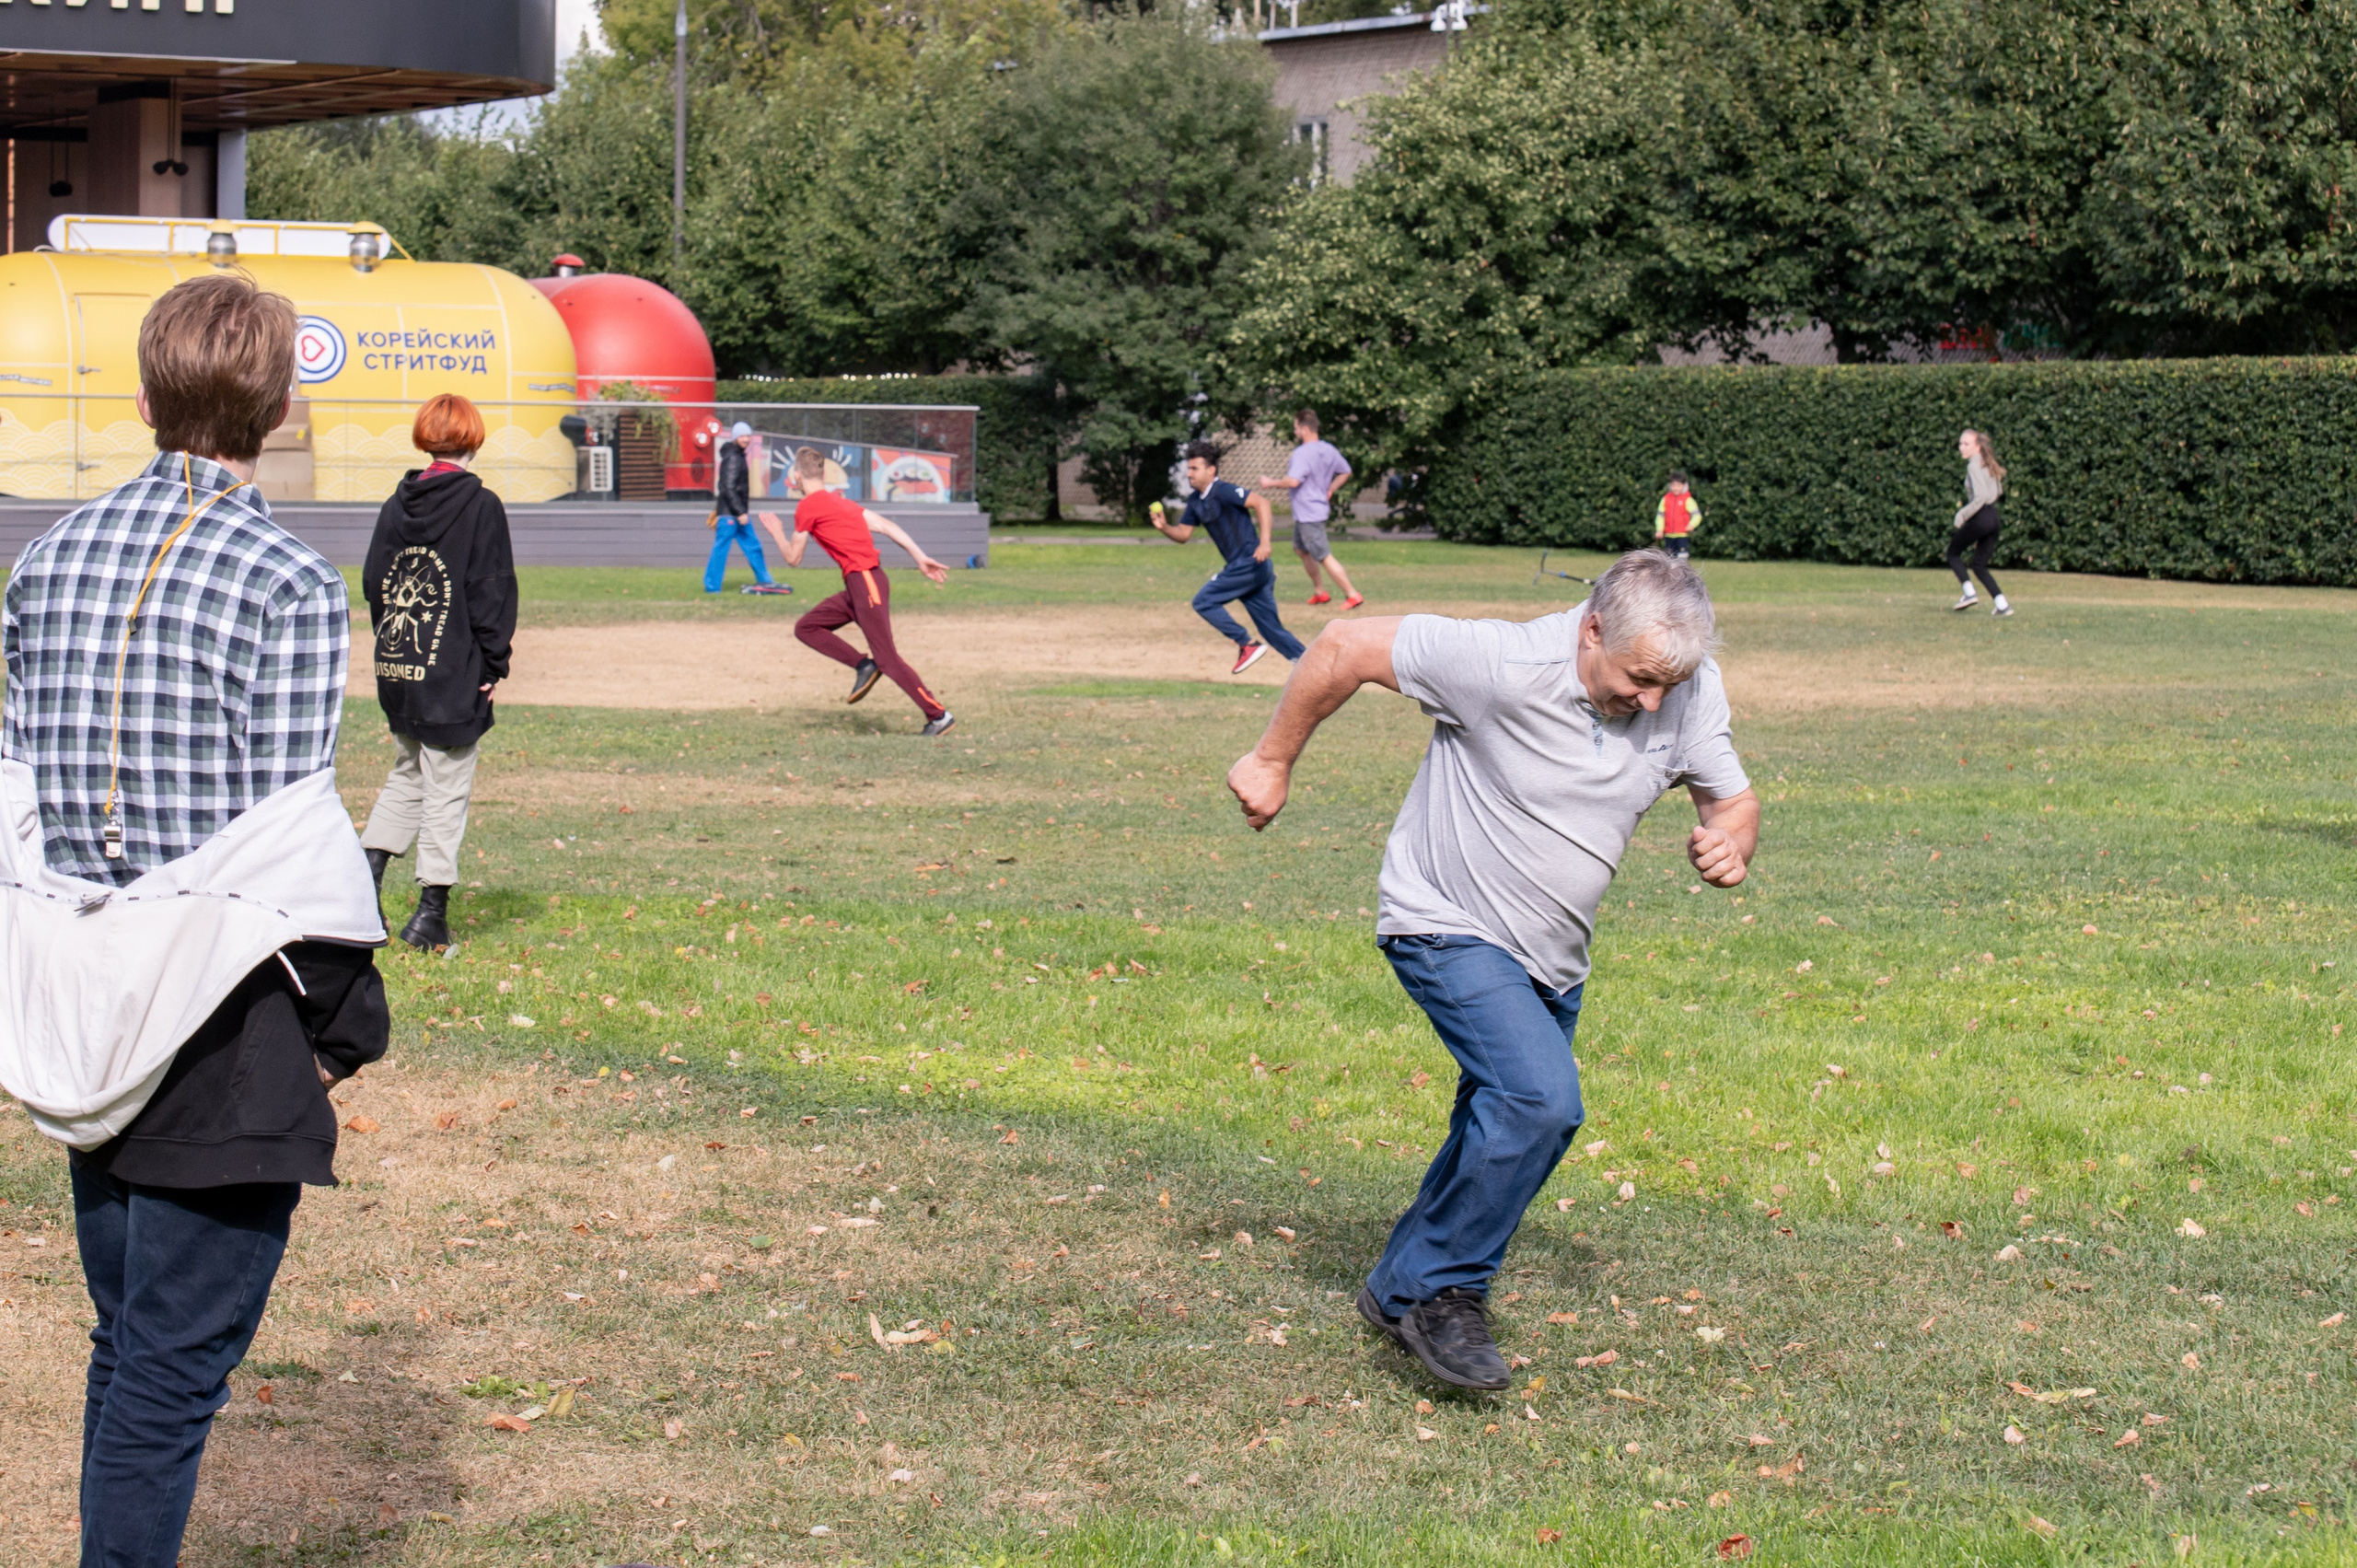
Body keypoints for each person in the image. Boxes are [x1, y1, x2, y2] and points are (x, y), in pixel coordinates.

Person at [0, 273, 389, 1568]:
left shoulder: (47, 556)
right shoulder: (286, 578)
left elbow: (24, 788)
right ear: (280, 406)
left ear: (142, 392)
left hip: (84, 993)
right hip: (216, 1010)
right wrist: (340, 1024)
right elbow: (285, 831)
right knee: (170, 1372)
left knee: (129, 1337)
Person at [1225, 549, 1758, 1391]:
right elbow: (1342, 645)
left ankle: (1397, 1284)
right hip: (1445, 924)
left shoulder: (1687, 686)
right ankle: (1442, 1293)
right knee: (1539, 1101)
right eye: (1639, 678)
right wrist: (1273, 759)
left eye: (1670, 684)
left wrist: (1733, 839)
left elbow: (1730, 798)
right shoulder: (1502, 663)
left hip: (1554, 958)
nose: (1654, 701)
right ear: (1590, 631)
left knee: (1499, 1118)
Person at [359, 392, 519, 949]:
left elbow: (375, 582)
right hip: (452, 672)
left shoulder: (395, 504)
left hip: (402, 664)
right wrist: (493, 661)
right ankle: (431, 914)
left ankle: (363, 885)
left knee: (408, 772)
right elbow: (490, 590)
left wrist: (393, 647)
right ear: (473, 438)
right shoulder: (482, 505)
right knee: (446, 785)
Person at [761, 446, 957, 737]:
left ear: (796, 476)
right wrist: (919, 556)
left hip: (865, 582)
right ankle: (863, 665)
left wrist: (775, 531)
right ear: (824, 474)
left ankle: (939, 715)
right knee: (807, 627)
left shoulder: (807, 507)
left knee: (888, 659)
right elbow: (886, 525)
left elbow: (793, 558)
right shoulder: (840, 503)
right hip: (861, 584)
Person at [1149, 439, 1308, 675]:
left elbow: (1262, 503)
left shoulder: (1223, 491)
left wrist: (1265, 542)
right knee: (1272, 629)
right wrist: (1164, 527)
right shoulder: (1195, 501)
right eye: (1188, 468)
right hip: (1247, 569)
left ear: (1210, 470)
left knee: (1203, 601)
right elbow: (1183, 534)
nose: (1189, 474)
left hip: (1250, 563)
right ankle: (1311, 665)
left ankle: (1246, 644)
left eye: (1194, 469)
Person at [1256, 409, 1364, 609]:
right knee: (1300, 548)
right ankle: (1320, 592)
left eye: (1296, 428)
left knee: (1323, 555)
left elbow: (1293, 481)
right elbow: (1345, 471)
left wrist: (1269, 482)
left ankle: (1352, 594)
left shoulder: (1302, 453)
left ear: (1305, 429)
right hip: (1311, 511)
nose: (1295, 432)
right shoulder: (1328, 449)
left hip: (1309, 513)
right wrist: (1331, 488)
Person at [705, 421, 784, 595]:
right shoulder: (733, 458)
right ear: (735, 438)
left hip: (735, 513)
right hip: (731, 515)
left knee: (753, 546)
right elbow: (727, 487)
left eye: (748, 436)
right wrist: (739, 512)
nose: (746, 439)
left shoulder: (737, 456)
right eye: (742, 436)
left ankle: (766, 581)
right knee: (722, 550)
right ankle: (712, 587)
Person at [1948, 429, 2012, 616]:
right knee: (1979, 565)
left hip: (1981, 517)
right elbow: (1997, 491)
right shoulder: (1987, 463)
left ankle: (1969, 594)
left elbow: (1981, 496)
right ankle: (2002, 605)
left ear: (1977, 447)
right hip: (1993, 518)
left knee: (1953, 553)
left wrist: (1962, 515)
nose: (1961, 447)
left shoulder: (1973, 466)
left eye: (1966, 444)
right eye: (1960, 444)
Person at [1654, 471, 1701, 559]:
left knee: (1682, 557)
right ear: (1670, 486)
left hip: (1682, 534)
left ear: (1684, 486)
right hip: (1669, 535)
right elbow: (1660, 516)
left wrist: (1691, 525)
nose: (1676, 488)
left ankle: (1682, 573)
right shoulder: (1665, 499)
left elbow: (1697, 515)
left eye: (1678, 485)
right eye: (1673, 485)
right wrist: (1659, 529)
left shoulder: (1688, 500)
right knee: (1669, 558)